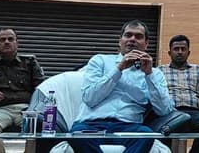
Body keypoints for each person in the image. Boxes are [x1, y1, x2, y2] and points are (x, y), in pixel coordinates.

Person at [69, 20, 175, 153]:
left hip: (129, 127)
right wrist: (119, 68)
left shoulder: (155, 73)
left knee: (146, 135)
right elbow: (90, 98)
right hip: (91, 124)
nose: (132, 39)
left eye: (138, 36)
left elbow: (164, 110)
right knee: (77, 135)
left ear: (146, 44)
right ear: (120, 41)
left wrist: (149, 75)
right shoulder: (100, 61)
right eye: (128, 35)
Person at [0, 28, 45, 153]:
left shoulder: (29, 62)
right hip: (0, 109)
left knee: (36, 123)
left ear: (17, 43)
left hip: (26, 109)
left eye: (10, 39)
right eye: (2, 40)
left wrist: (33, 108)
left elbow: (41, 89)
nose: (7, 42)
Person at [160, 34, 199, 153]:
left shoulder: (198, 70)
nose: (180, 52)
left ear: (188, 52)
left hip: (192, 112)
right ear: (169, 53)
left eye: (183, 49)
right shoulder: (160, 71)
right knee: (162, 127)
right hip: (170, 112)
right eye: (176, 49)